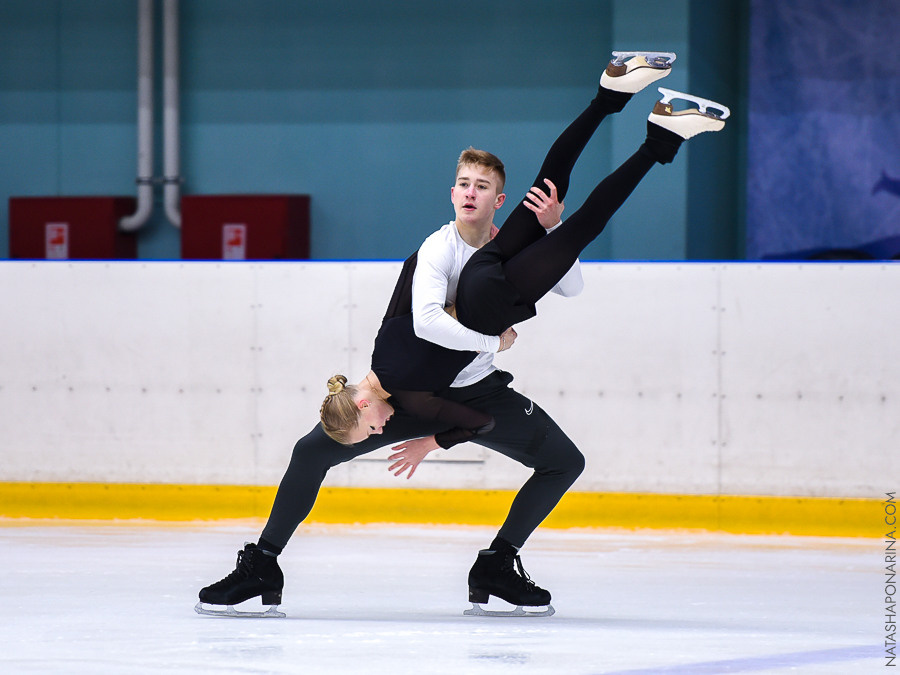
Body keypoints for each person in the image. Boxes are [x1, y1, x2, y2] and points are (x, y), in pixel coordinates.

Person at [197, 53, 729, 616]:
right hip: (413, 398)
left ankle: (497, 563)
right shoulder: (437, 248)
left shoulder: (503, 246)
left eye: (483, 185)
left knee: (563, 461)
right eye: (463, 184)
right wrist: (490, 343)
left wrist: (549, 233)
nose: (470, 192)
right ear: (452, 193)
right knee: (311, 452)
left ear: (500, 198)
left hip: (474, 388)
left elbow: (568, 287)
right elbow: (425, 323)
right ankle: (262, 564)